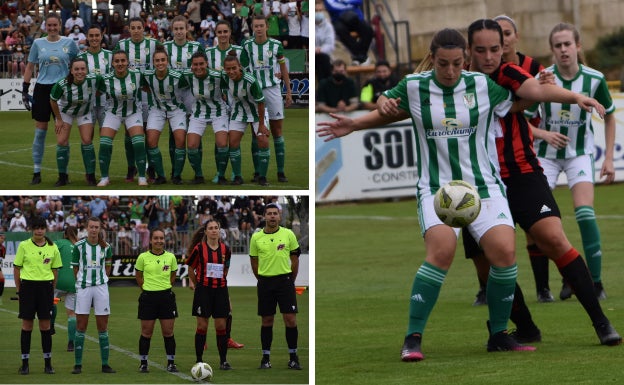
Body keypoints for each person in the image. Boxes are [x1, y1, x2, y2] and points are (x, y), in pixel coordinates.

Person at [318, 28, 537, 361]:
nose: (450, 71)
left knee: (505, 254)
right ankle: (412, 337)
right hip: (437, 189)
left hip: (484, 186)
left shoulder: (481, 85)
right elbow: (387, 105)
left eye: (457, 64)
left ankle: (498, 334)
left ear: (465, 60)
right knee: (442, 251)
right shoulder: (414, 86)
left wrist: (546, 90)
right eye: (443, 64)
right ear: (432, 59)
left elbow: (519, 102)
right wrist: (357, 122)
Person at [464, 18, 621, 347]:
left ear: (510, 42)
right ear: (470, 50)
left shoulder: (513, 72)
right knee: (488, 260)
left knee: (553, 237)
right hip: (474, 179)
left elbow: (536, 90)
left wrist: (573, 97)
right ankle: (525, 326)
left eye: (498, 46)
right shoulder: (454, 80)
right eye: (483, 49)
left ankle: (601, 320)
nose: (492, 54)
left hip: (520, 169)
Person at [532, 22, 616, 302]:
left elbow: (610, 115)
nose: (563, 50)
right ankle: (569, 275)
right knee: (544, 221)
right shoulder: (543, 79)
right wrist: (544, 133)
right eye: (558, 45)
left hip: (579, 153)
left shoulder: (594, 79)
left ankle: (596, 281)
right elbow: (522, 118)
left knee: (585, 214)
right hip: (545, 156)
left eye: (568, 44)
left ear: (578, 46)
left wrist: (608, 159)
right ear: (552, 50)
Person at [22, 12, 80, 185]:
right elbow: (30, 66)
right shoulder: (38, 43)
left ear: (60, 25)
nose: (52, 28)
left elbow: (76, 65)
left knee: (62, 133)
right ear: (45, 26)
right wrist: (25, 90)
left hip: (62, 89)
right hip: (42, 89)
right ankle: (36, 171)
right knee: (40, 132)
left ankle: (64, 174)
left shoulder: (69, 43)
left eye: (55, 25)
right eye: (49, 25)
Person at [249, 203, 302, 370]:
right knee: (267, 320)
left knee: (290, 319)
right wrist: (263, 278)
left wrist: (290, 279)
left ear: (279, 216)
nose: (272, 216)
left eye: (275, 213)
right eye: (269, 213)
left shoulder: (288, 234)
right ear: (264, 216)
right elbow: (254, 261)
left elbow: (295, 259)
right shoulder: (256, 237)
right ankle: (265, 359)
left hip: (285, 282)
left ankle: (293, 358)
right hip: (265, 283)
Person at [242, 14, 292, 183]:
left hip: (273, 90)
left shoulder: (276, 45)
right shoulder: (247, 45)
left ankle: (281, 171)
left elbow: (283, 68)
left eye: (261, 26)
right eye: (255, 26)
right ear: (252, 27)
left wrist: (289, 91)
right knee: (257, 133)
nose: (258, 29)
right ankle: (258, 172)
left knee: (277, 132)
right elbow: (243, 69)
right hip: (254, 93)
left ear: (266, 27)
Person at [13, 216, 62, 375]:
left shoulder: (52, 247)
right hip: (27, 288)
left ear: (45, 229)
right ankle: (25, 364)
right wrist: (19, 290)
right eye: (36, 227)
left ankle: (48, 364)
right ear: (31, 229)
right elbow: (17, 268)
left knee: (45, 326)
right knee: (27, 326)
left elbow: (55, 271)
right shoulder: (24, 246)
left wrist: (50, 290)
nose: (39, 230)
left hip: (45, 289)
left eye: (42, 227)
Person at [115, 17, 161, 183]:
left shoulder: (153, 44)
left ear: (144, 28)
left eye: (138, 27)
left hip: (148, 94)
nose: (135, 30)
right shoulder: (121, 46)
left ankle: (151, 168)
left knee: (148, 132)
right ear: (129, 29)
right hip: (129, 95)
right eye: (132, 28)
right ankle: (131, 167)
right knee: (129, 132)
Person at [96, 49, 148, 187]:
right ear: (112, 63)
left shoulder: (137, 74)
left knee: (138, 143)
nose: (120, 63)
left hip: (133, 112)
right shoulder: (105, 79)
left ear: (127, 62)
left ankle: (142, 177)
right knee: (104, 143)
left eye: (123, 61)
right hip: (113, 113)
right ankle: (104, 177)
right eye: (117, 61)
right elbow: (96, 93)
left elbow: (147, 89)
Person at [71, 217, 116, 374]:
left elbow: (108, 267)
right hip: (84, 288)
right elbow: (75, 269)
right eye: (91, 227)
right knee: (81, 326)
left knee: (102, 327)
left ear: (100, 229)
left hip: (101, 288)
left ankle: (105, 364)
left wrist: (102, 280)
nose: (94, 230)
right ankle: (78, 364)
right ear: (86, 228)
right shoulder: (78, 247)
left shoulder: (106, 247)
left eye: (96, 227)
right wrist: (82, 282)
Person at [164, 15, 206, 183]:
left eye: (182, 28)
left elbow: (203, 68)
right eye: (176, 29)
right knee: (174, 133)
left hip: (191, 93)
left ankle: (198, 172)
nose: (179, 31)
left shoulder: (196, 46)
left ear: (187, 29)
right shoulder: (165, 47)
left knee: (195, 130)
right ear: (172, 30)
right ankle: (176, 171)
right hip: (173, 93)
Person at [140, 45, 190, 185]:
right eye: (157, 61)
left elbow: (187, 88)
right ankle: (160, 176)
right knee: (151, 141)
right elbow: (145, 87)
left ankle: (176, 175)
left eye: (163, 60)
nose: (160, 63)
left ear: (167, 61)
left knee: (180, 141)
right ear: (153, 62)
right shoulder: (148, 75)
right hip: (157, 109)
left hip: (176, 109)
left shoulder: (177, 76)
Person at [187, 219, 233, 369]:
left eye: (216, 228)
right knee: (202, 326)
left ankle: (223, 361)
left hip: (220, 291)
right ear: (205, 231)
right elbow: (190, 268)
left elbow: (225, 270)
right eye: (211, 228)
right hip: (204, 291)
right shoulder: (199, 249)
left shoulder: (226, 250)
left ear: (219, 231)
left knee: (221, 326)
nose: (214, 230)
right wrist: (197, 284)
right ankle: (199, 360)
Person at [49, 57, 100, 187]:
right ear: (71, 71)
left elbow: (101, 90)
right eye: (76, 69)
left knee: (87, 140)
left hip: (85, 112)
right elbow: (53, 100)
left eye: (83, 69)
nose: (80, 72)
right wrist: (58, 119)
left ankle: (90, 176)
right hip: (65, 112)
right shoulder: (62, 84)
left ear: (87, 70)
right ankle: (62, 176)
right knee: (61, 141)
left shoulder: (95, 79)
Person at [222, 51, 271, 186]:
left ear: (240, 67)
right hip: (239, 111)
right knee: (233, 142)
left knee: (263, 140)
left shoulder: (251, 80)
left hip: (257, 113)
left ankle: (262, 177)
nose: (231, 71)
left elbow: (261, 103)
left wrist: (261, 124)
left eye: (234, 68)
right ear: (224, 69)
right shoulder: (224, 77)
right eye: (228, 69)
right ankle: (238, 176)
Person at [135, 228, 180, 373]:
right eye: (156, 238)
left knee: (168, 332)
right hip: (148, 298)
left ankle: (171, 362)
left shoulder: (171, 257)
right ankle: (143, 363)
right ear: (151, 240)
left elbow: (173, 276)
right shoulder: (142, 257)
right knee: (146, 332)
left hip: (166, 298)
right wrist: (148, 289)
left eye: (161, 238)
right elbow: (138, 277)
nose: (159, 241)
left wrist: (163, 288)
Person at [185, 51, 230, 185]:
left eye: (201, 64)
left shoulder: (218, 76)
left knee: (222, 144)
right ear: (191, 66)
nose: (198, 67)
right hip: (199, 112)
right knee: (192, 145)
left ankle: (221, 175)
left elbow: (234, 80)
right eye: (195, 65)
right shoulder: (187, 76)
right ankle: (198, 175)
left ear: (207, 64)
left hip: (218, 112)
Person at [78, 25, 113, 136]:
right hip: (88, 104)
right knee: (87, 138)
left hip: (107, 104)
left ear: (101, 36)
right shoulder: (81, 57)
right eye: (91, 36)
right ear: (87, 37)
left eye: (97, 35)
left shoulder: (110, 55)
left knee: (106, 137)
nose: (94, 38)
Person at [50, 226, 78, 352]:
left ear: (64, 234)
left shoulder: (59, 243)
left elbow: (48, 250)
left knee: (53, 301)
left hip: (59, 280)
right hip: (74, 282)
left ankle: (51, 325)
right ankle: (71, 342)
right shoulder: (80, 245)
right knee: (72, 314)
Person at [322, 0, 373, 65]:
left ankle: (359, 56)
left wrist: (343, 2)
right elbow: (332, 6)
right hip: (338, 19)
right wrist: (350, 4)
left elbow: (359, 1)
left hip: (355, 17)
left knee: (368, 29)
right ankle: (361, 56)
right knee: (340, 30)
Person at [314, 1, 335, 82]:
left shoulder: (328, 26)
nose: (318, 13)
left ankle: (324, 85)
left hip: (323, 56)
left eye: (320, 10)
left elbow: (330, 45)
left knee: (323, 59)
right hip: (311, 55)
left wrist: (320, 50)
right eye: (316, 11)